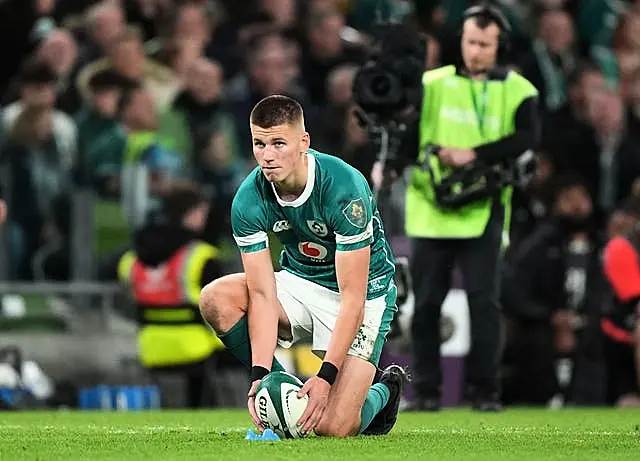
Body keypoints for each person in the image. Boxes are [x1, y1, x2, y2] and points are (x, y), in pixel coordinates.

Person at [199, 95, 407, 437]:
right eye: (259, 143)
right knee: (215, 298)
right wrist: (260, 376)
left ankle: (385, 390)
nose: (267, 155)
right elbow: (263, 294)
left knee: (333, 428)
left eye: (278, 143)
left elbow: (352, 298)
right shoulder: (248, 199)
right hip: (299, 282)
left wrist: (325, 377)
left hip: (364, 295)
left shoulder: (343, 187)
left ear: (303, 142)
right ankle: (282, 391)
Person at [394, 4, 539, 411]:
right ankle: (425, 392)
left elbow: (528, 138)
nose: (475, 51)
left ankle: (485, 392)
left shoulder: (518, 89)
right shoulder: (433, 83)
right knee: (425, 307)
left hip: (483, 210)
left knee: (484, 304)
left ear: (500, 46)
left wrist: (473, 153)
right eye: (470, 42)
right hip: (431, 209)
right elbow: (408, 138)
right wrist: (390, 161)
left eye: (484, 44)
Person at [118, 182, 225, 408]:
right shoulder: (202, 257)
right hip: (198, 349)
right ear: (192, 213)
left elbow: (126, 303)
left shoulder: (131, 260)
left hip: (149, 346)